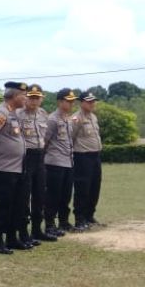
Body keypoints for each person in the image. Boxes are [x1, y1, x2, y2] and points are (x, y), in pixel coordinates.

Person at [0, 82, 30, 254]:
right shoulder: (0, 112)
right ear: (15, 96)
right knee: (3, 205)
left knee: (16, 205)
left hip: (15, 168)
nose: (26, 98)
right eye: (24, 95)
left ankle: (11, 238)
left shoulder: (13, 113)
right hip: (2, 169)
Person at [18, 84, 55, 243]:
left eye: (37, 98)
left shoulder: (43, 114)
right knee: (24, 196)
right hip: (25, 156)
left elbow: (45, 137)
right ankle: (23, 232)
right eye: (31, 97)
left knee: (40, 194)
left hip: (40, 156)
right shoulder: (18, 114)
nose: (33, 101)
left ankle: (37, 230)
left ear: (41, 99)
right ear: (25, 97)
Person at [43, 89, 76, 236]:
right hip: (54, 162)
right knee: (53, 195)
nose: (71, 103)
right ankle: (50, 224)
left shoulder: (68, 118)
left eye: (72, 101)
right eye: (68, 101)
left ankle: (64, 222)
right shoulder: (52, 119)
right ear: (60, 102)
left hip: (68, 161)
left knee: (66, 195)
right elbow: (44, 141)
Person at [71, 91, 104, 228]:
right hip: (82, 156)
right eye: (89, 102)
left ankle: (89, 216)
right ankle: (80, 218)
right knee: (82, 187)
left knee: (95, 186)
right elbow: (70, 137)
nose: (92, 104)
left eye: (93, 101)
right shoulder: (76, 118)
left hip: (95, 156)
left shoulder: (93, 117)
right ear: (81, 102)